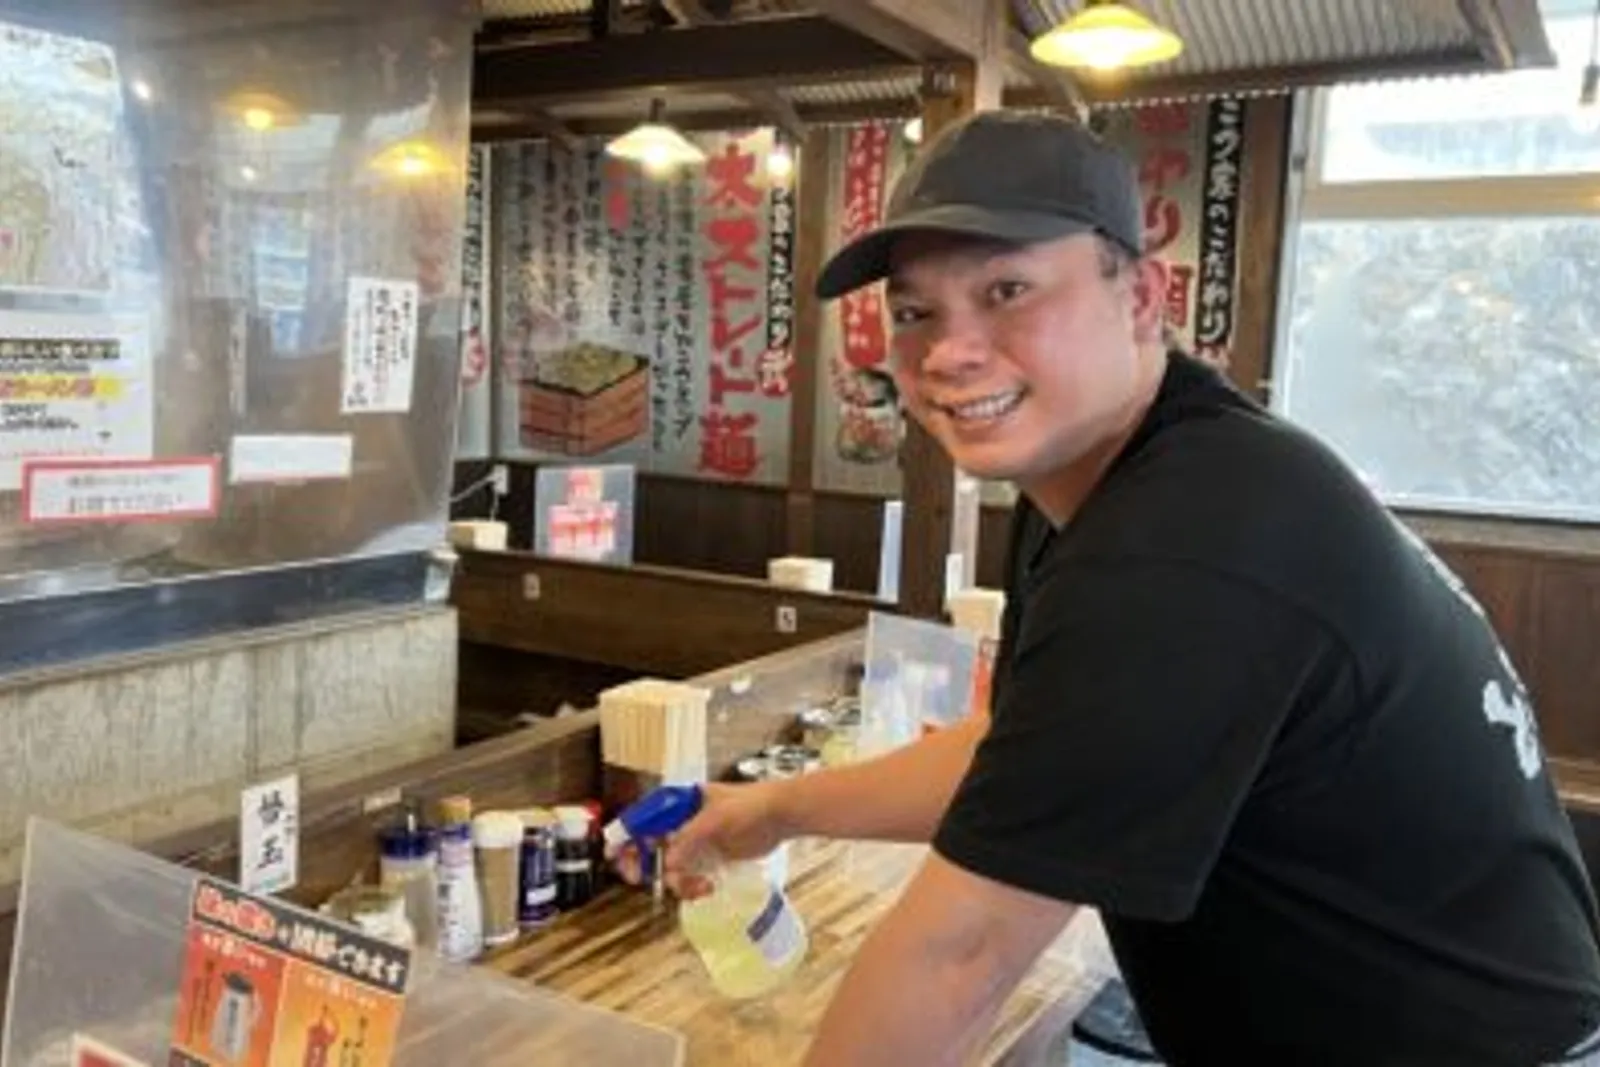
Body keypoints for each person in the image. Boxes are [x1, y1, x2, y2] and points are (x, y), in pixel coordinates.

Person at [640, 110, 1600, 1065]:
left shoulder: (1186, 540)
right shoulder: (1112, 476)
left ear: (1142, 297)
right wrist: (776, 809)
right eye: (913, 310)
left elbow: (957, 958)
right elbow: (1031, 751)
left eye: (1007, 289)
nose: (947, 351)